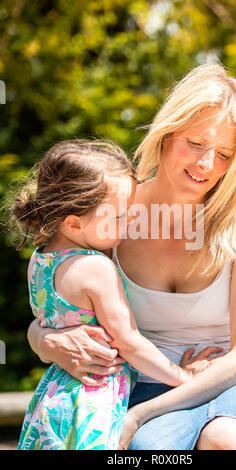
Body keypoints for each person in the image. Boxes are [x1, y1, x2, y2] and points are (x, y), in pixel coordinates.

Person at [27, 64, 236, 450]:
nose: (206, 164)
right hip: (145, 386)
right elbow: (55, 292)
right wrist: (44, 339)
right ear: (167, 133)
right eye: (197, 143)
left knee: (226, 438)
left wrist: (138, 417)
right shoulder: (116, 213)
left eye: (223, 154)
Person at [11, 139, 216, 450]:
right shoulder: (96, 268)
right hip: (92, 401)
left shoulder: (39, 261)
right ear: (74, 223)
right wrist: (183, 377)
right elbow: (128, 341)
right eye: (118, 216)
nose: (129, 220)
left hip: (53, 397)